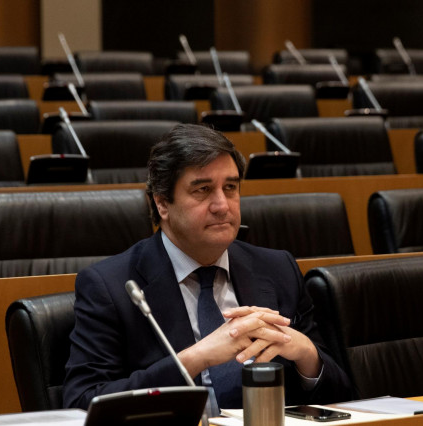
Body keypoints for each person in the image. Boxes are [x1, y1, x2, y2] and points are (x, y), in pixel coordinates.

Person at [63, 123, 354, 410]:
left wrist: (306, 354)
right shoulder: (111, 286)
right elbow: (82, 402)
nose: (222, 205)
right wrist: (195, 358)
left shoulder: (278, 269)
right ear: (163, 203)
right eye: (203, 189)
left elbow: (344, 397)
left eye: (230, 187)